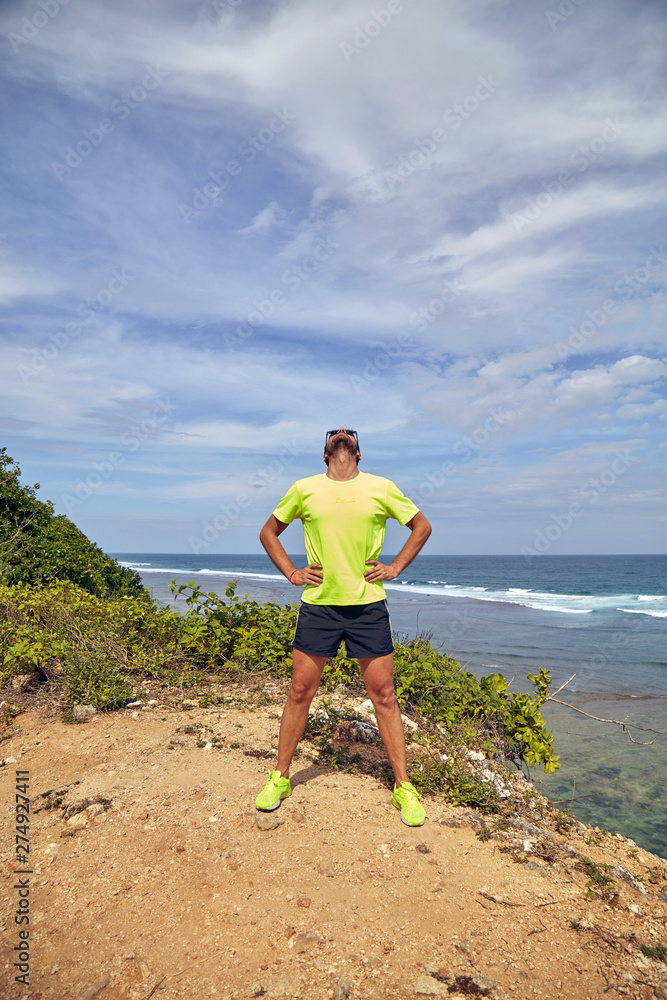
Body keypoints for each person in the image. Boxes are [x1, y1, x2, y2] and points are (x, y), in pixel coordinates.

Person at [255, 427, 432, 826]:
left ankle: (403, 786)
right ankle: (280, 777)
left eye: (348, 434)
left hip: (368, 605)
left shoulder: (381, 487)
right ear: (325, 453)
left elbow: (421, 527)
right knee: (300, 691)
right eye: (334, 434)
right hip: (319, 606)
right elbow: (268, 532)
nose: (341, 435)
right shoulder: (304, 488)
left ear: (358, 451)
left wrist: (395, 567)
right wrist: (291, 573)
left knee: (384, 695)